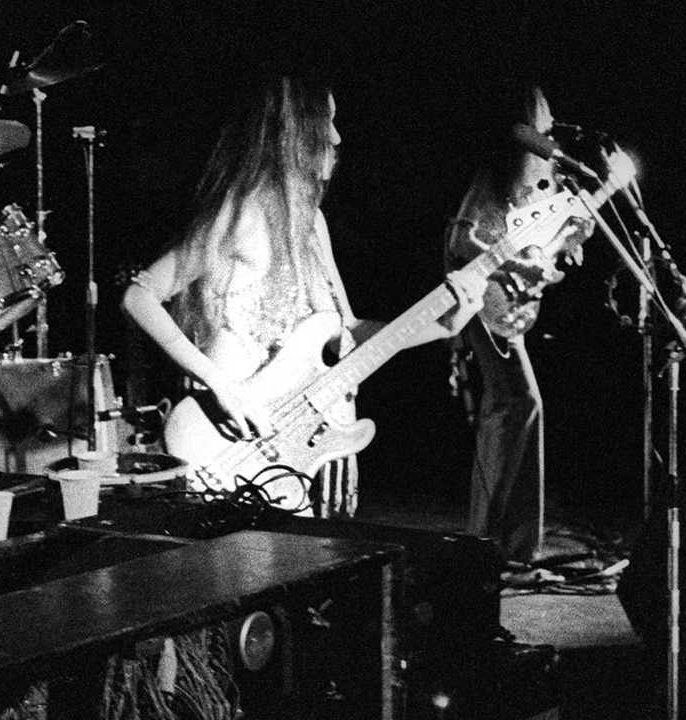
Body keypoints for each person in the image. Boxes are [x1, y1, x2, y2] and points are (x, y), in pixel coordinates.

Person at [122, 76, 486, 518]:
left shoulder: (312, 222)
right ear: (293, 133)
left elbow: (346, 335)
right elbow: (140, 297)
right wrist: (224, 389)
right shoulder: (240, 214)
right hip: (228, 441)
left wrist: (444, 326)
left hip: (288, 446)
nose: (336, 137)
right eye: (326, 122)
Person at [444, 83, 591, 568]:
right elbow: (461, 240)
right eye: (541, 125)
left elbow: (535, 247)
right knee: (514, 405)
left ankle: (515, 546)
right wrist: (513, 269)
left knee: (521, 408)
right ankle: (487, 543)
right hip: (478, 299)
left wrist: (561, 248)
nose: (547, 135)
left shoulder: (537, 188)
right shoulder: (492, 177)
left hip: (504, 304)